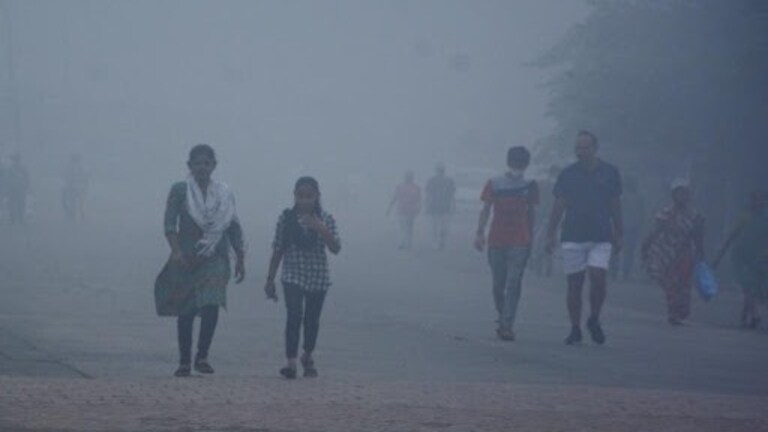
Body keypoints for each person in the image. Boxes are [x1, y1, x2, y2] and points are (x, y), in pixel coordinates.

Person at [160, 144, 246, 377]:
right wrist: (176, 252)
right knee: (186, 310)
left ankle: (203, 356)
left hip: (215, 256)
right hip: (187, 257)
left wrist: (240, 257)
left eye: (206, 163)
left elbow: (232, 226)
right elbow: (169, 225)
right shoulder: (180, 190)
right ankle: (185, 361)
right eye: (197, 163)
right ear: (189, 166)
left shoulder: (224, 193)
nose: (202, 167)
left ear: (214, 166)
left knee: (211, 303)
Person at [546, 131, 623, 345]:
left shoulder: (610, 173)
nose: (581, 152)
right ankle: (574, 327)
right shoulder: (568, 174)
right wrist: (550, 233)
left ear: (595, 148)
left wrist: (619, 231)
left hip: (600, 235)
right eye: (578, 148)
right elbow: (559, 204)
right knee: (574, 283)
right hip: (573, 234)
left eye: (585, 147)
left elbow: (615, 203)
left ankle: (594, 318)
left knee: (598, 276)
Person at [265, 177, 341, 379]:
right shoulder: (287, 218)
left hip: (318, 276)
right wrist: (270, 279)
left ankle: (307, 355)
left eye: (309, 196)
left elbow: (335, 248)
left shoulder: (325, 218)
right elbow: (278, 249)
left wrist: (320, 228)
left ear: (317, 197)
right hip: (293, 275)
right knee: (294, 315)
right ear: (295, 196)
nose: (305, 200)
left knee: (312, 319)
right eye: (301, 196)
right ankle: (291, 362)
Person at [475, 147, 538, 341]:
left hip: (520, 240)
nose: (517, 167)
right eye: (515, 163)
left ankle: (507, 323)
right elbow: (486, 209)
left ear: (526, 165)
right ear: (508, 162)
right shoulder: (494, 183)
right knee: (498, 284)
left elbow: (531, 214)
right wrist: (480, 233)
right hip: (497, 239)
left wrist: (531, 239)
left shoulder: (530, 185)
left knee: (513, 281)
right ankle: (503, 315)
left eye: (521, 164)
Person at [641, 180, 705, 325]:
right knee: (671, 283)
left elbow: (698, 236)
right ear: (673, 196)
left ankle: (681, 310)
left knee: (684, 283)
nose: (682, 197)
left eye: (684, 194)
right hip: (667, 252)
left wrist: (701, 253)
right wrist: (646, 245)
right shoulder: (665, 213)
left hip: (685, 253)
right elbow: (655, 231)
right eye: (679, 194)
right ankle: (672, 312)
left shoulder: (694, 216)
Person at [713, 189, 768, 328]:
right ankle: (754, 315)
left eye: (762, 200)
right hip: (742, 258)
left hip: (759, 259)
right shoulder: (744, 217)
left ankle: (744, 316)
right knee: (749, 287)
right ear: (751, 201)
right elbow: (731, 237)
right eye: (757, 199)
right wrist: (718, 257)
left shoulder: (765, 218)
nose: (759, 202)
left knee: (753, 289)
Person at [611, 176, 645, 280]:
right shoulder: (638, 198)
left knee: (618, 249)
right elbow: (641, 214)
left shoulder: (622, 197)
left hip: (623, 225)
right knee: (628, 250)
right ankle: (625, 272)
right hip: (631, 226)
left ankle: (614, 270)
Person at [387, 171, 422, 250]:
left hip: (411, 211)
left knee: (409, 228)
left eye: (409, 177)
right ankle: (402, 243)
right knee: (402, 228)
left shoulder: (416, 188)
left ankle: (408, 243)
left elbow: (419, 199)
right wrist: (389, 208)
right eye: (407, 176)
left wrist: (419, 208)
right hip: (401, 210)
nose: (408, 178)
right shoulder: (400, 187)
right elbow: (394, 197)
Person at [425, 164, 456, 249]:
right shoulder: (449, 181)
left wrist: (427, 206)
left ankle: (436, 242)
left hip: (435, 207)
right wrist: (453, 206)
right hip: (444, 207)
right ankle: (441, 242)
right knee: (443, 226)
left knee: (435, 226)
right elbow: (452, 196)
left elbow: (428, 195)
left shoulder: (431, 181)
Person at [61, 153, 89, 221]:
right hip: (77, 187)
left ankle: (76, 215)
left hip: (75, 187)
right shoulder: (80, 167)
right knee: (79, 202)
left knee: (76, 202)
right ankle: (80, 216)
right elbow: (85, 177)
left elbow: (67, 177)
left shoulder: (72, 167)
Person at [7, 153, 30, 225]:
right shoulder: (11, 169)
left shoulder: (21, 169)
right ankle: (13, 219)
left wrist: (27, 186)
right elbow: (7, 179)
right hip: (14, 189)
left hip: (20, 189)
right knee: (13, 205)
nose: (15, 161)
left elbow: (27, 179)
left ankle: (20, 219)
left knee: (20, 204)